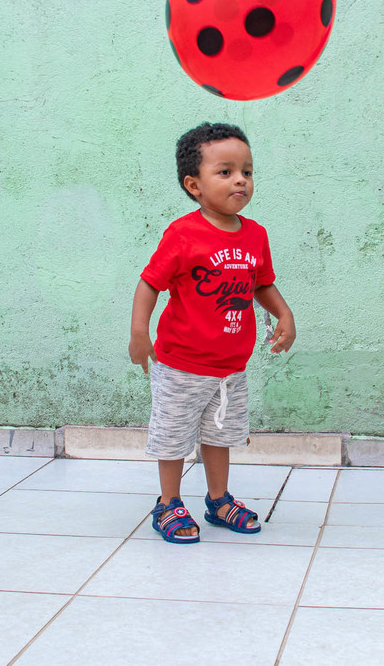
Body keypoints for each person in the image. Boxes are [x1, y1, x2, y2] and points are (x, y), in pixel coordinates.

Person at [129, 122, 295, 543]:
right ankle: (168, 503)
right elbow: (150, 282)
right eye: (225, 171)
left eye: (247, 171)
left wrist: (284, 314)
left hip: (229, 368)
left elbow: (262, 284)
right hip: (181, 364)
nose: (240, 179)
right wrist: (139, 333)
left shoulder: (256, 235)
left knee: (220, 436)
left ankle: (218, 501)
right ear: (194, 184)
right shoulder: (183, 234)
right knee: (173, 439)